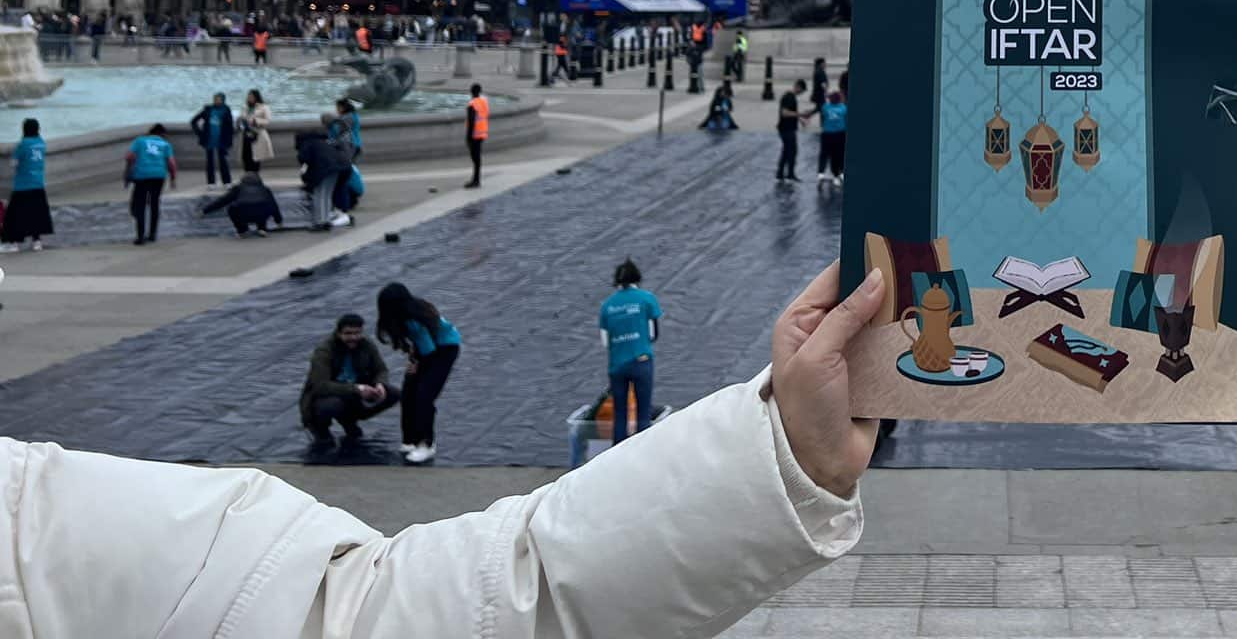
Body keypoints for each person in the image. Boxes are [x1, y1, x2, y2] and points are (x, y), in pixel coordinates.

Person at [0, 263, 878, 633]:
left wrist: (782, 450)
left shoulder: (34, 521)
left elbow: (378, 615)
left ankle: (421, 437)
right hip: (569, 366)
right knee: (626, 400)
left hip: (462, 359)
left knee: (446, 398)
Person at [377, 282, 462, 465]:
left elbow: (430, 351)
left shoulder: (414, 320)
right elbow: (420, 347)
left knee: (424, 395)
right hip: (427, 351)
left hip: (445, 349)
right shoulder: (408, 315)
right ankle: (409, 440)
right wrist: (414, 362)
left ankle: (426, 444)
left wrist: (418, 366)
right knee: (408, 392)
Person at [300, 311, 394, 446]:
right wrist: (357, 389)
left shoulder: (366, 345)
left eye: (357, 333)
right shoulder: (324, 351)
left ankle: (349, 419)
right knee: (331, 405)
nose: (353, 337)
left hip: (352, 394)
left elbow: (381, 369)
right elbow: (320, 386)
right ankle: (320, 429)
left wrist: (380, 384)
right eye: (348, 333)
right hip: (327, 396)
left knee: (393, 393)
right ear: (339, 333)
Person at [599, 258, 663, 445]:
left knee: (620, 413)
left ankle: (617, 454)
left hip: (617, 365)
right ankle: (642, 455)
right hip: (641, 360)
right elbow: (653, 334)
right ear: (637, 278)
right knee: (643, 411)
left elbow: (605, 342)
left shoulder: (607, 306)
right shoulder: (646, 299)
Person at [1, 119, 52, 252]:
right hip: (38, 184)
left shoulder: (23, 144)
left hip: (23, 185)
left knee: (15, 216)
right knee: (37, 215)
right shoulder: (41, 143)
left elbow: (14, 163)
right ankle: (37, 242)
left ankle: (13, 243)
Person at [125, 124, 177, 244]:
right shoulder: (165, 144)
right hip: (159, 176)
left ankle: (140, 237)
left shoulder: (140, 141)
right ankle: (153, 234)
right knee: (154, 203)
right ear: (162, 134)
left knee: (140, 205)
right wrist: (173, 179)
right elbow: (171, 163)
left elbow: (129, 157)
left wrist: (129, 173)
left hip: (142, 175)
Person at [201, 172, 285, 238]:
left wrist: (205, 211)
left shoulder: (238, 188)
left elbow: (222, 201)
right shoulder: (265, 189)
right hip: (261, 214)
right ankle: (262, 228)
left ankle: (242, 230)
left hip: (244, 214)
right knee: (264, 205)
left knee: (232, 208)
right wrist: (279, 221)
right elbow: (274, 206)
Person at [297, 128, 352, 230]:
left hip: (326, 169)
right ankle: (325, 220)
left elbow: (304, 158)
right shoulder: (323, 141)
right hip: (339, 167)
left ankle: (321, 222)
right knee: (327, 194)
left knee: (320, 195)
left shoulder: (307, 144)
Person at [190, 91, 237, 186]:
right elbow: (194, 121)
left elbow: (230, 127)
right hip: (209, 140)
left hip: (222, 140)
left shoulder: (226, 110)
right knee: (210, 161)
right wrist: (199, 133)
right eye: (215, 99)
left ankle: (227, 181)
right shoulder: (208, 109)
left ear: (223, 100)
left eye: (219, 99)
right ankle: (211, 182)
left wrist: (230, 138)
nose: (217, 101)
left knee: (223, 161)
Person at [805, 89, 847, 184]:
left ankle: (821, 173)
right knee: (837, 154)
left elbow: (823, 116)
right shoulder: (844, 108)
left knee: (824, 154)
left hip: (827, 134)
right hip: (840, 134)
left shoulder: (826, 107)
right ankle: (837, 174)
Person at [775, 79, 803, 184]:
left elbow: (790, 112)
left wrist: (800, 119)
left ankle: (780, 173)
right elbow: (784, 113)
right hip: (787, 128)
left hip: (786, 128)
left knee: (786, 150)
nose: (800, 93)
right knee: (792, 151)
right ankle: (790, 174)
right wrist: (799, 115)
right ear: (798, 87)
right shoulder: (789, 97)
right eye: (801, 91)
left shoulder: (789, 96)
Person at [241, 88, 274, 172]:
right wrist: (240, 122)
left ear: (256, 97)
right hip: (246, 134)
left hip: (257, 135)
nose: (249, 98)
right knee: (246, 157)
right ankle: (247, 177)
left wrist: (256, 121)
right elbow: (242, 118)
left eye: (251, 96)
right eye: (249, 96)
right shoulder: (245, 107)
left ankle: (255, 177)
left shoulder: (264, 107)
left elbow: (268, 120)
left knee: (256, 157)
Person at [464, 83, 488, 188]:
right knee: (477, 158)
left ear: (471, 92)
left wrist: (468, 137)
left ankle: (475, 181)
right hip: (482, 133)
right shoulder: (483, 102)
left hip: (474, 135)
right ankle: (476, 179)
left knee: (475, 158)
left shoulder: (472, 104)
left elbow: (471, 121)